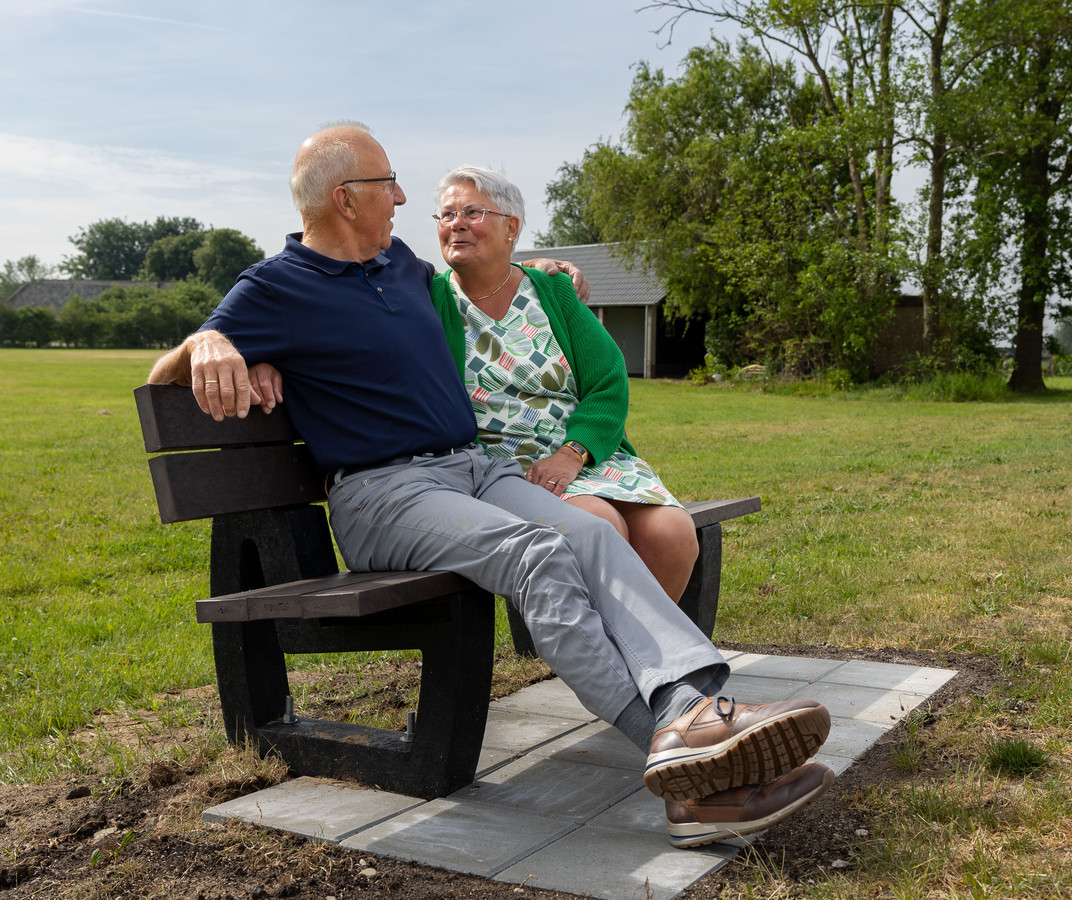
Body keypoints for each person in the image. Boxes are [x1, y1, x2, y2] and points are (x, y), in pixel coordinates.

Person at [147, 121, 834, 847]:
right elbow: (166, 377)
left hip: (470, 468)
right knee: (537, 553)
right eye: (388, 186)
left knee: (591, 536)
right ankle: (673, 736)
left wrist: (537, 266)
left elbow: (481, 278)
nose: (403, 199)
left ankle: (701, 721)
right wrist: (211, 341)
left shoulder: (401, 265)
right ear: (347, 199)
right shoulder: (273, 287)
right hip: (385, 495)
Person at [427, 165, 699, 602]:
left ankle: (643, 661)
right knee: (601, 527)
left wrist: (573, 454)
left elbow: (608, 381)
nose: (455, 223)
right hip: (505, 470)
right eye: (446, 214)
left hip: (582, 456)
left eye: (472, 212)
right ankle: (615, 666)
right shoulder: (429, 297)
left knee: (672, 531)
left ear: (510, 226)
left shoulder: (552, 291)